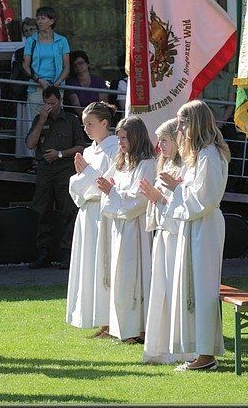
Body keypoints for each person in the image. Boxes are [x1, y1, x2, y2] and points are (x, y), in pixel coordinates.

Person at [161, 99, 230, 371]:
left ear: (195, 123)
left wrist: (177, 188)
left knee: (203, 287)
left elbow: (206, 197)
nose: (179, 128)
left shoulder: (210, 154)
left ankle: (206, 355)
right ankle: (197, 349)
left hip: (205, 225)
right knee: (191, 286)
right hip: (195, 223)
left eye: (182, 123)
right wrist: (178, 187)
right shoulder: (198, 155)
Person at [138, 118, 194, 364]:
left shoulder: (185, 167)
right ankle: (160, 346)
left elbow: (183, 206)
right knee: (160, 289)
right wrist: (155, 198)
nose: (160, 146)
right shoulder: (166, 164)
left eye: (165, 140)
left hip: (176, 236)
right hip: (163, 234)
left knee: (174, 290)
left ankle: (179, 348)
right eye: (159, 141)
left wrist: (159, 198)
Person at [98, 116, 155, 344]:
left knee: (135, 277)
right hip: (119, 226)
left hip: (136, 228)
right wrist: (109, 191)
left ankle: (139, 328)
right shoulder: (121, 161)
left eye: (124, 138)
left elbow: (140, 199)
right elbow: (106, 185)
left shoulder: (147, 163)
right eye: (119, 138)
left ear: (136, 137)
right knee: (119, 277)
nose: (120, 143)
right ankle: (121, 326)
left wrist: (112, 193)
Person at [66, 102, 119, 333]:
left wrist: (86, 175)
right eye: (84, 124)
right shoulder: (88, 151)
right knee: (89, 264)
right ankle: (96, 316)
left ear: (104, 123)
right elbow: (77, 184)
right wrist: (84, 178)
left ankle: (109, 319)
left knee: (104, 263)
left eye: (90, 124)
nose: (86, 129)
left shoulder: (115, 149)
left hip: (104, 211)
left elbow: (107, 183)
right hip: (88, 211)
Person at [25, 86, 88, 269]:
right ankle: (43, 253)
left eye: (53, 103)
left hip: (65, 168)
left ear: (59, 100)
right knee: (41, 210)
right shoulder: (39, 119)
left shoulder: (71, 120)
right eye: (47, 103)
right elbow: (30, 144)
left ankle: (67, 253)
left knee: (68, 210)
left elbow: (81, 147)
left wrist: (60, 153)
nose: (50, 106)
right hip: (44, 170)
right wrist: (41, 120)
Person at [22, 6, 71, 161]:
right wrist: (38, 80)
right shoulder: (31, 41)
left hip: (56, 88)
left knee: (56, 122)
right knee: (38, 123)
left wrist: (57, 83)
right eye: (38, 18)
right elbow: (25, 65)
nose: (39, 21)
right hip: (36, 87)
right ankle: (37, 160)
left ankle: (56, 156)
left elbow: (67, 67)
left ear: (51, 21)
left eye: (43, 18)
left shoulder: (62, 41)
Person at [13, 17, 39, 159]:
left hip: (43, 92)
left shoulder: (48, 48)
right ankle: (29, 159)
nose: (29, 33)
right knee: (28, 126)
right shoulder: (19, 53)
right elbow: (16, 75)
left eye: (32, 29)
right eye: (26, 31)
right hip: (25, 93)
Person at [65, 51, 109, 115]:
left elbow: (103, 103)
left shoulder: (99, 81)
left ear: (88, 64)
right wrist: (86, 117)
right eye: (75, 65)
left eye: (80, 63)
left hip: (99, 115)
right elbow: (76, 105)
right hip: (81, 116)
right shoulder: (71, 82)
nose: (78, 66)